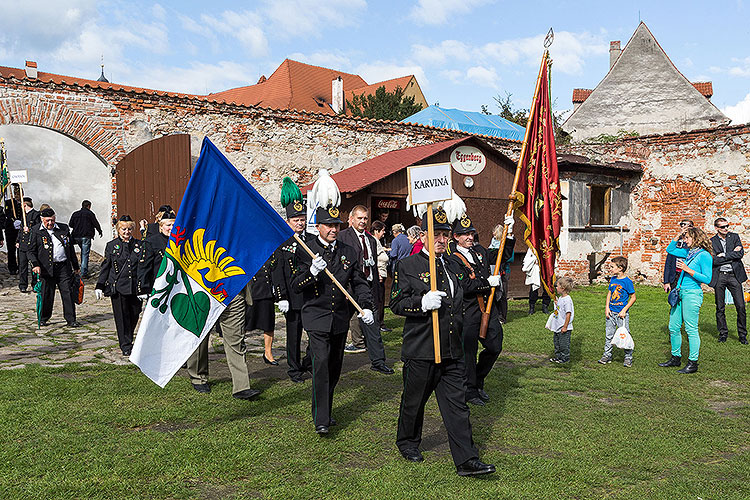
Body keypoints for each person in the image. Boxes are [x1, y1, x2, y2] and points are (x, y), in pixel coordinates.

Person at [390, 207, 495, 476]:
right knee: (414, 401)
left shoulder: (450, 265)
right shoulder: (408, 265)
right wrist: (421, 303)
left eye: (445, 234)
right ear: (422, 236)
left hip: (451, 348)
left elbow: (464, 292)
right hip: (422, 347)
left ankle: (466, 459)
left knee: (457, 405)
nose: (441, 239)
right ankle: (408, 441)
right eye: (436, 234)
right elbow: (396, 303)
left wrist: (486, 283)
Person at [292, 204, 375, 435]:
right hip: (316, 317)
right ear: (318, 226)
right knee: (320, 365)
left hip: (339, 317)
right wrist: (312, 273)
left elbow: (358, 282)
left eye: (336, 225)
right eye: (328, 225)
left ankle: (326, 410)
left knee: (334, 367)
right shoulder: (305, 249)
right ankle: (321, 419)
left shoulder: (348, 251)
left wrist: (365, 306)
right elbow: (295, 286)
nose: (333, 229)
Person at [447, 212, 515, 406]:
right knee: (468, 353)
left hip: (488, 309)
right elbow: (464, 287)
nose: (469, 237)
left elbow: (504, 255)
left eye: (471, 233)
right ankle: (470, 391)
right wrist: (487, 283)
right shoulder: (453, 259)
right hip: (468, 312)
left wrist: (508, 234)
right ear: (456, 237)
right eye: (464, 234)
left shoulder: (480, 251)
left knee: (495, 346)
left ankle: (478, 379)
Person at [339, 205, 392, 374]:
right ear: (351, 219)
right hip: (348, 288)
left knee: (373, 324)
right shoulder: (343, 237)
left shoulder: (370, 239)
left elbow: (374, 263)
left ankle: (378, 361)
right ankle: (316, 360)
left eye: (365, 218)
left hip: (367, 287)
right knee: (338, 327)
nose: (362, 221)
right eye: (359, 218)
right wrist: (344, 288)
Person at [272, 180, 313, 382]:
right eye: (296, 220)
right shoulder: (282, 242)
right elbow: (277, 271)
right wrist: (281, 297)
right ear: (288, 221)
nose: (300, 223)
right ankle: (294, 369)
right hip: (293, 296)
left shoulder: (312, 240)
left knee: (314, 334)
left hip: (311, 296)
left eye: (302, 219)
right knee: (294, 336)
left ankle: (309, 362)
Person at [659, 227, 714, 373]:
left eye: (687, 237)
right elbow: (670, 250)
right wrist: (678, 234)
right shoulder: (688, 252)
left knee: (691, 329)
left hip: (692, 294)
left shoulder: (704, 256)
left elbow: (708, 279)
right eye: (684, 237)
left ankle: (693, 363)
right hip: (680, 292)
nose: (685, 240)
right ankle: (675, 358)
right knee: (673, 326)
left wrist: (687, 269)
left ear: (696, 238)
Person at [95, 216, 145, 356]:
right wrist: (99, 285)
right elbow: (106, 266)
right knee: (122, 317)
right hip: (118, 287)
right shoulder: (112, 246)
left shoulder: (139, 245)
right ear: (118, 230)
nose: (127, 232)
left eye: (129, 229)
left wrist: (145, 288)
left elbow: (142, 267)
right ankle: (125, 345)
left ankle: (128, 337)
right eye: (124, 229)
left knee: (135, 313)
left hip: (134, 287)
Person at [28, 207, 80, 327]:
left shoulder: (63, 228)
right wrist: (35, 265)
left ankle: (71, 319)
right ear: (42, 220)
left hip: (63, 267)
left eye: (52, 220)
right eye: (47, 221)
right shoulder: (36, 230)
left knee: (67, 292)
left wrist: (75, 266)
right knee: (47, 294)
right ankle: (44, 318)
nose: (50, 223)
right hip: (46, 268)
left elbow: (70, 248)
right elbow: (31, 251)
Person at [709, 218, 747, 344]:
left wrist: (724, 255)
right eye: (723, 227)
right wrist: (732, 255)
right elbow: (714, 261)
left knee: (741, 306)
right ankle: (723, 333)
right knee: (720, 307)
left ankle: (742, 335)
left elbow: (740, 254)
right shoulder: (712, 241)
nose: (726, 228)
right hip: (720, 276)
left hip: (734, 275)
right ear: (716, 228)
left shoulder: (734, 237)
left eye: (727, 226)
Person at [599, 256, 636, 367]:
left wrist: (624, 310)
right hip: (611, 313)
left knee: (625, 335)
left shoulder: (627, 282)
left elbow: (633, 297)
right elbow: (609, 293)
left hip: (621, 315)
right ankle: (607, 355)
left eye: (612, 267)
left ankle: (628, 357)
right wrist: (607, 307)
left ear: (620, 268)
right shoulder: (613, 280)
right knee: (609, 335)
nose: (610, 268)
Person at [246, 255, 279, 365]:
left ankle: (268, 353)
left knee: (268, 324)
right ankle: (240, 353)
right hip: (250, 291)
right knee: (243, 324)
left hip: (266, 290)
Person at [69, 200, 103, 278]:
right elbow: (96, 223)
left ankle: (74, 269)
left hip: (76, 236)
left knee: (74, 252)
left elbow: (70, 224)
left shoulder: (75, 214)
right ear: (89, 206)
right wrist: (100, 231)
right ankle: (83, 273)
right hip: (86, 236)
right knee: (85, 254)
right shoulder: (90, 214)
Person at [545, 277, 575, 363]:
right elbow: (560, 309)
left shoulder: (567, 300)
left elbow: (568, 314)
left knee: (564, 344)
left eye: (557, 286)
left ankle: (565, 358)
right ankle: (558, 357)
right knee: (557, 343)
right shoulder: (561, 298)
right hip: (557, 325)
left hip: (564, 327)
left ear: (563, 288)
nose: (556, 288)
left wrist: (565, 326)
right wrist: (557, 303)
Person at [17, 197, 41, 293]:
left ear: (25, 205)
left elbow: (39, 229)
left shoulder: (36, 215)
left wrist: (30, 230)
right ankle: (23, 285)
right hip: (23, 245)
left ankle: (34, 284)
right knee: (22, 266)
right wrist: (18, 241)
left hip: (31, 245)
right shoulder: (23, 216)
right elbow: (21, 230)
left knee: (33, 266)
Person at [663, 220, 693, 292]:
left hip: (687, 275)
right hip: (675, 274)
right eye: (683, 225)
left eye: (688, 225)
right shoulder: (675, 242)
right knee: (674, 298)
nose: (685, 227)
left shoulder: (693, 242)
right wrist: (666, 281)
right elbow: (668, 262)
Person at [371, 220, 390, 332]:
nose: (384, 233)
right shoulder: (374, 241)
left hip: (382, 273)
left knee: (381, 299)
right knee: (378, 300)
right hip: (378, 275)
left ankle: (380, 323)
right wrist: (378, 273)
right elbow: (374, 259)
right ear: (376, 231)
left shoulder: (377, 241)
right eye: (382, 231)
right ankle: (378, 323)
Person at [3, 185, 22, 274]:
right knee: (11, 249)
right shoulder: (9, 202)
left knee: (21, 249)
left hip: (20, 229)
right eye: (16, 193)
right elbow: (7, 214)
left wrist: (21, 221)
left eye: (19, 193)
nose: (18, 195)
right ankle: (12, 268)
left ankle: (21, 266)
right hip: (10, 229)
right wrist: (14, 220)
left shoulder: (24, 202)